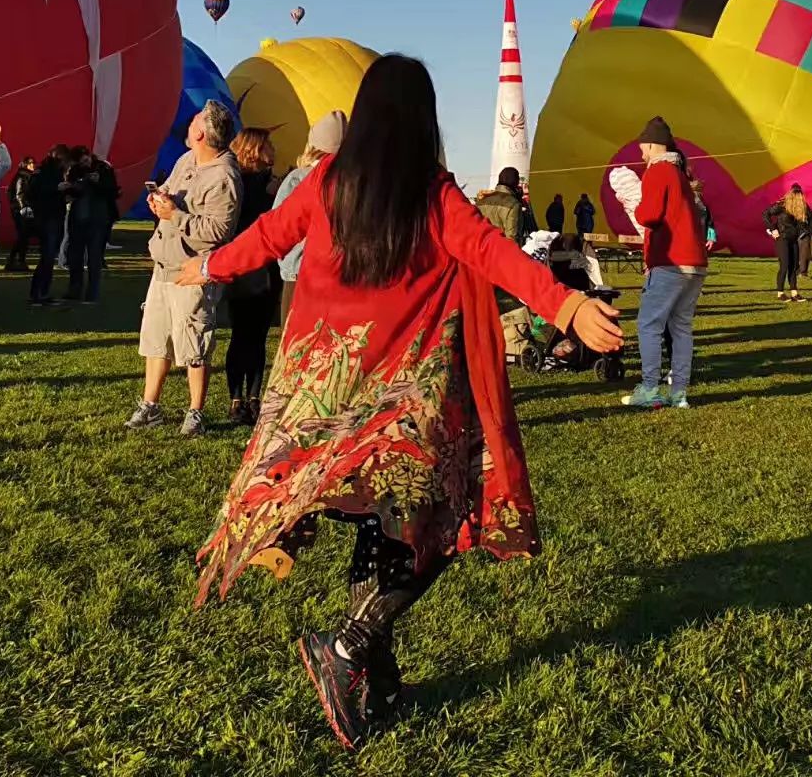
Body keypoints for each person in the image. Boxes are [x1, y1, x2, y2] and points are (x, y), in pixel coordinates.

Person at [176, 56, 621, 751]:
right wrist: (564, 304)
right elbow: (494, 254)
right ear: (422, 117)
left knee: (380, 529)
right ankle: (351, 649)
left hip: (323, 395)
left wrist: (206, 265)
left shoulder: (327, 181)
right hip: (404, 401)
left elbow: (266, 240)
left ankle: (379, 687)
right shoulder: (431, 193)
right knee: (439, 525)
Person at [126, 101, 243, 437]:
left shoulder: (224, 176)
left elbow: (220, 230)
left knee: (194, 342)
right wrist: (161, 201)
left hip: (193, 270)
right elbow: (175, 199)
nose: (189, 123)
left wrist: (173, 215)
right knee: (156, 339)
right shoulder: (186, 159)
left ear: (201, 133)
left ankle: (196, 412)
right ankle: (151, 406)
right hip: (164, 264)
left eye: (193, 120)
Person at [622, 117, 707, 411]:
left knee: (649, 324)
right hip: (695, 262)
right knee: (681, 326)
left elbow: (650, 214)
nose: (641, 154)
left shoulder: (658, 170)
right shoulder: (680, 173)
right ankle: (679, 392)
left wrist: (635, 206)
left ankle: (649, 388)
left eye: (642, 148)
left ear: (649, 144)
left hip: (670, 259)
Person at [272, 111, 348, 330]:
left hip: (298, 274)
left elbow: (277, 227)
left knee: (295, 344)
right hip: (339, 275)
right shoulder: (354, 184)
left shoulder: (297, 179)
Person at [225, 128, 279, 425]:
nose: (274, 148)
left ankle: (251, 398)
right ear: (257, 148)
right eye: (269, 144)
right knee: (246, 334)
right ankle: (240, 398)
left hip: (261, 266)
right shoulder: (242, 183)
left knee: (253, 335)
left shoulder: (271, 183)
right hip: (248, 265)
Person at [63, 147, 119, 304]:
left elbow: (113, 191)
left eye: (85, 158)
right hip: (78, 219)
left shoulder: (103, 168)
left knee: (94, 258)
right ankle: (75, 289)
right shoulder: (74, 170)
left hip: (97, 219)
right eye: (80, 160)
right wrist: (73, 187)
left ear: (89, 156)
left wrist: (98, 182)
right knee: (75, 257)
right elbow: (71, 191)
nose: (84, 161)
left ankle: (92, 293)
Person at [28, 144, 70, 306]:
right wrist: (56, 189)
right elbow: (34, 192)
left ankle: (42, 291)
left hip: (54, 216)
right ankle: (38, 292)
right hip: (46, 218)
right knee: (46, 256)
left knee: (49, 257)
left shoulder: (56, 173)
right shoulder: (43, 173)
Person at [763, 185, 809, 303]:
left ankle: (794, 293)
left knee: (794, 267)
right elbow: (766, 214)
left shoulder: (800, 208)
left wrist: (801, 231)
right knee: (784, 265)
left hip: (793, 239)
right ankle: (780, 293)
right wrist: (772, 229)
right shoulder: (782, 205)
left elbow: (804, 222)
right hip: (782, 239)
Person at [477, 168, 525, 245]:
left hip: (483, 250)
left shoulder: (481, 201)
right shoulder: (513, 204)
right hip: (501, 252)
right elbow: (512, 239)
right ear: (515, 182)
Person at [6, 155, 37, 272]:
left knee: (23, 236)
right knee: (23, 236)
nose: (33, 164)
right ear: (25, 164)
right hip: (21, 210)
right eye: (30, 162)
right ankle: (18, 260)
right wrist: (24, 207)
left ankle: (15, 260)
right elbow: (20, 193)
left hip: (21, 209)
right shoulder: (23, 176)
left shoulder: (27, 176)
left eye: (33, 162)